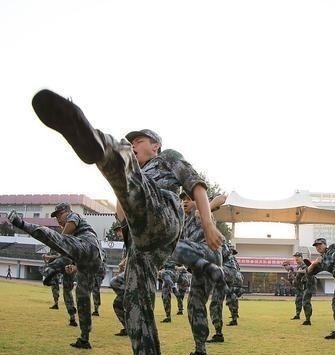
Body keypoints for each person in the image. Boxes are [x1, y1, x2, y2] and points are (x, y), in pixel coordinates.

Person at [30, 89, 224, 355]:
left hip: (165, 213)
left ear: (155, 145)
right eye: (133, 141)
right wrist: (121, 193)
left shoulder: (167, 158)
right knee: (134, 304)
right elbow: (123, 217)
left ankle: (95, 140)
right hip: (143, 246)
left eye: (139, 140)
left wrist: (208, 223)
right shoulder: (137, 173)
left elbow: (197, 186)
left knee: (121, 154)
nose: (135, 143)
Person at [8, 202, 103, 349]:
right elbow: (75, 253)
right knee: (83, 298)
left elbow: (67, 233)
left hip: (88, 246)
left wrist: (59, 241)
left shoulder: (74, 216)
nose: (57, 219)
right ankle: (85, 339)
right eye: (56, 216)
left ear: (66, 211)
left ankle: (20, 223)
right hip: (91, 261)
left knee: (50, 235)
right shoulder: (75, 237)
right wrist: (71, 263)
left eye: (59, 214)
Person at [174, 191, 226, 354]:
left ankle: (212, 269)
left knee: (172, 246)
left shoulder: (204, 208)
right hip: (201, 267)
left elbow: (222, 198)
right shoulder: (184, 221)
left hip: (209, 251)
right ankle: (200, 349)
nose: (185, 202)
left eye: (189, 199)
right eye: (183, 199)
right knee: (194, 305)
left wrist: (202, 207)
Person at [290, 252, 314, 325]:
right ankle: (297, 315)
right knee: (298, 301)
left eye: (297, 257)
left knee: (306, 302)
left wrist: (297, 271)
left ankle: (308, 319)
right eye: (295, 257)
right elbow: (298, 277)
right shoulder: (298, 266)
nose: (296, 258)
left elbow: (307, 271)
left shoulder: (305, 264)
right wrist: (292, 277)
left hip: (307, 285)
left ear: (301, 257)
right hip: (300, 287)